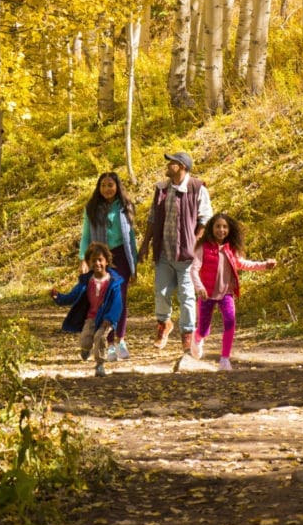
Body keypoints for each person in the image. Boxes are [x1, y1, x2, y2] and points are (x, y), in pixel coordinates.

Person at [138, 151, 212, 353]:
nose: (168, 165)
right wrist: (145, 244)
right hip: (164, 252)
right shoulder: (162, 189)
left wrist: (196, 243)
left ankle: (187, 336)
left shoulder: (197, 188)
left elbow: (205, 219)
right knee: (160, 293)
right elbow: (152, 219)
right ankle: (164, 324)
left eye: (172, 163)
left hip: (187, 256)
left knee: (187, 296)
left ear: (182, 167)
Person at [190, 212, 277, 371]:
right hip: (206, 294)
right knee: (204, 330)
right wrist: (200, 288)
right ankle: (197, 338)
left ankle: (224, 360)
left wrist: (265, 265)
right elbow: (194, 270)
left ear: (229, 230)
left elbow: (244, 264)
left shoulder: (231, 249)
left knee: (230, 323)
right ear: (211, 228)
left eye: (224, 227)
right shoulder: (203, 248)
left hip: (226, 293)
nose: (221, 230)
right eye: (218, 226)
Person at [79, 171, 137, 362]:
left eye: (110, 185)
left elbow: (131, 238)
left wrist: (133, 265)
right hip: (100, 257)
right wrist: (83, 260)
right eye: (103, 185)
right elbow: (86, 236)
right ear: (99, 188)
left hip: (121, 255)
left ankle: (121, 340)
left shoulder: (126, 206)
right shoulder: (92, 208)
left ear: (117, 187)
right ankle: (108, 343)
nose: (107, 189)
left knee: (121, 297)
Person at [50, 242, 123, 377]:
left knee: (100, 337)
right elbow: (72, 296)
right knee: (85, 341)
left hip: (105, 319)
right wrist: (58, 297)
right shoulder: (86, 282)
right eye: (93, 260)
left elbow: (118, 304)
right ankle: (86, 349)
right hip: (91, 318)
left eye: (100, 260)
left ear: (106, 261)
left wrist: (110, 318)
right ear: (89, 263)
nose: (97, 263)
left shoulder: (114, 282)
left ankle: (100, 364)